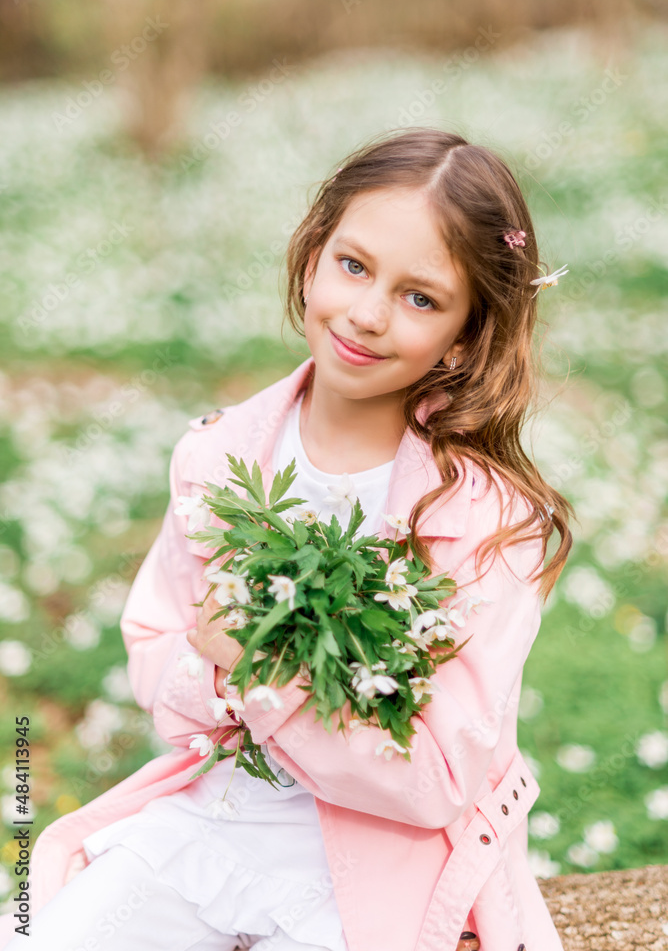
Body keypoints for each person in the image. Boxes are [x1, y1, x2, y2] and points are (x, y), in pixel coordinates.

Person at [1, 127, 575, 951]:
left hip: (373, 874)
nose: (368, 314)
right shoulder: (221, 453)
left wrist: (262, 676)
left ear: (466, 333)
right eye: (353, 265)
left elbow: (440, 777)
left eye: (421, 298)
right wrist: (210, 669)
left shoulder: (486, 520)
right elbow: (160, 654)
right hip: (213, 823)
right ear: (312, 253)